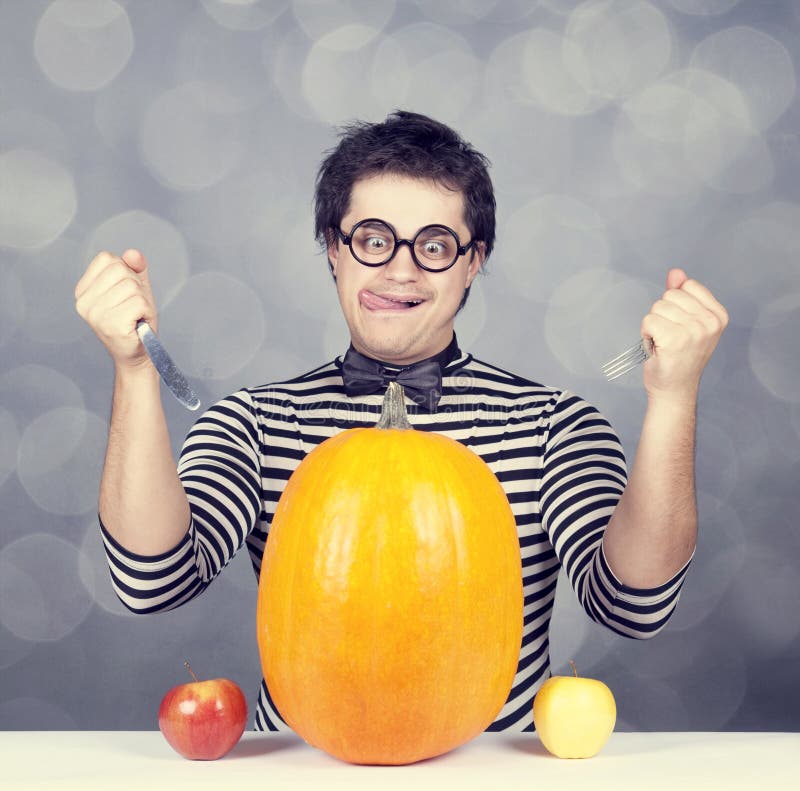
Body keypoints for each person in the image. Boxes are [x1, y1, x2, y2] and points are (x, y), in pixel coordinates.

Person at [74, 110, 729, 731]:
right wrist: (134, 372)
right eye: (373, 238)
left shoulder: (555, 425)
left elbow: (633, 605)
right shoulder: (255, 423)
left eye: (436, 244)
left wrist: (674, 398)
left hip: (495, 770)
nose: (401, 266)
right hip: (305, 768)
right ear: (334, 248)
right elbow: (149, 582)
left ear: (474, 262)